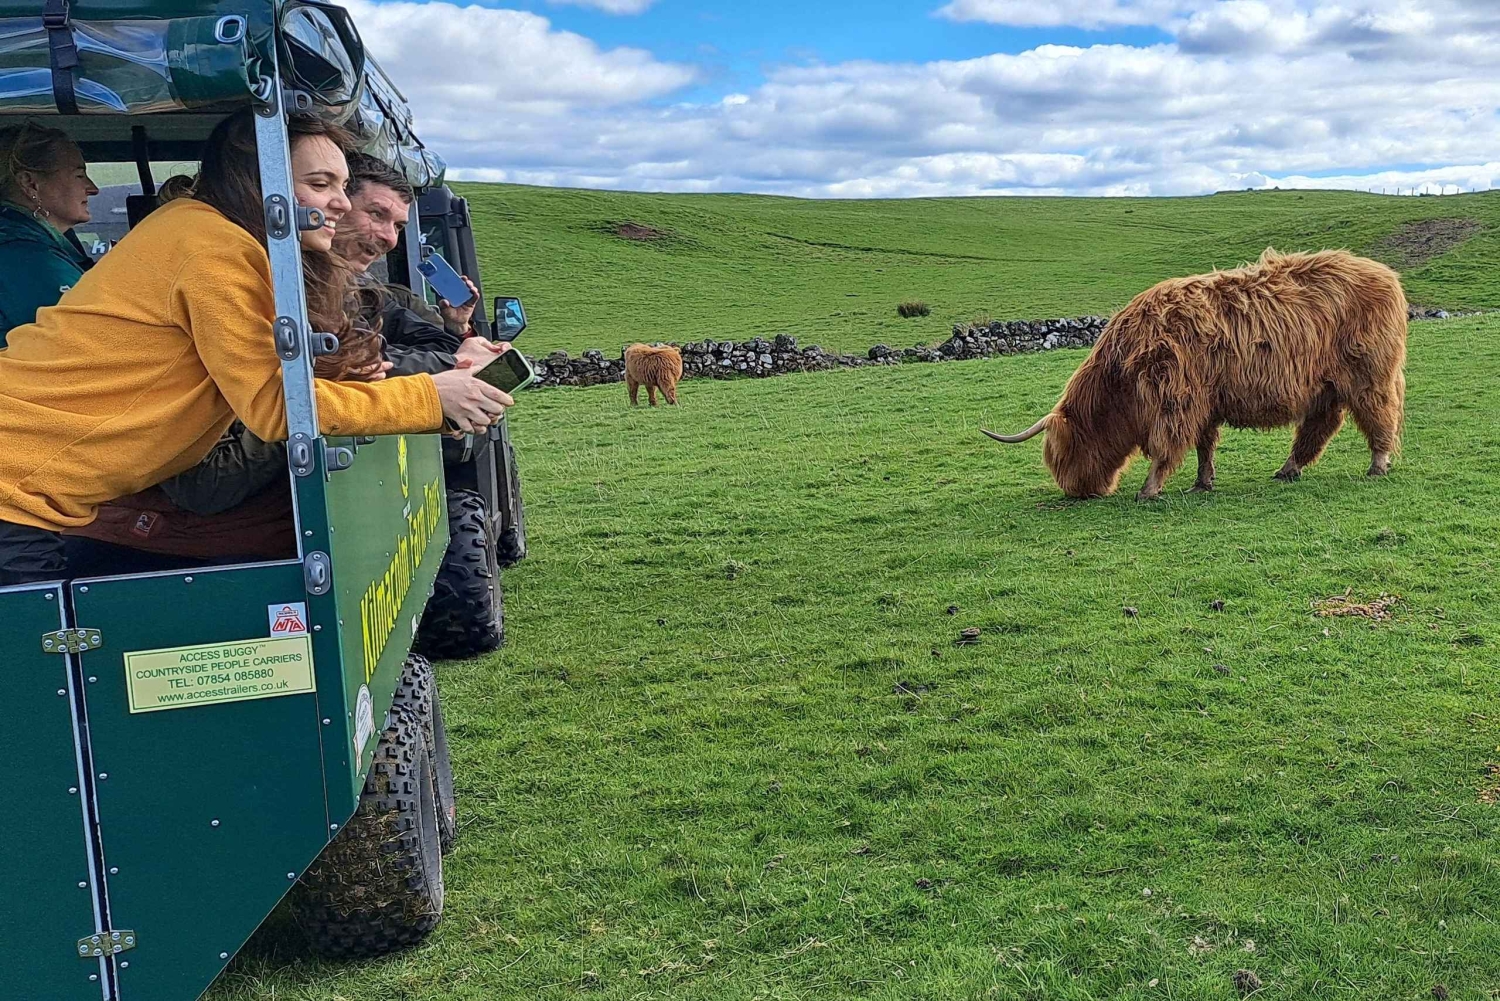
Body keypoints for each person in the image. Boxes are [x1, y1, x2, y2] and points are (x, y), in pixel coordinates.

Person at [0, 108, 511, 586]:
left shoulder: (207, 235)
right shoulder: (214, 253)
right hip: (15, 489)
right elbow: (276, 407)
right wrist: (428, 397)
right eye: (319, 184)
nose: (339, 201)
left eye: (342, 185)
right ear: (257, 181)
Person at [0, 121, 99, 344]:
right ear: (30, 184)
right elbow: (86, 338)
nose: (93, 188)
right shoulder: (22, 255)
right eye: (79, 175)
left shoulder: (36, 243)